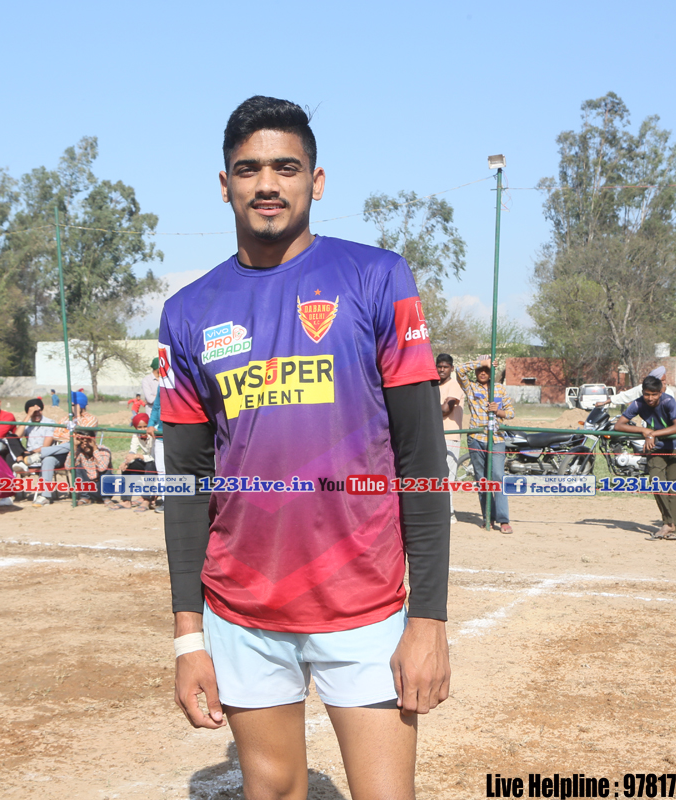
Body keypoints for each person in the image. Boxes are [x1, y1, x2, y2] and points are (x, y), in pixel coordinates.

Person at [157, 96, 450, 800]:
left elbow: (421, 458)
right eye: (248, 169)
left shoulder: (378, 278)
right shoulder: (187, 312)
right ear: (224, 184)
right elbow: (185, 485)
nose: (267, 184)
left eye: (286, 167)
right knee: (274, 792)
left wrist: (429, 619)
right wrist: (189, 638)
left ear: (316, 181)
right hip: (242, 612)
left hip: (364, 606)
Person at [613, 374, 676, 540]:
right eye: (647, 394)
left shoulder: (668, 401)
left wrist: (652, 434)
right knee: (656, 482)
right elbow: (619, 425)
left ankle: (671, 527)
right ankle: (669, 523)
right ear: (642, 392)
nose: (650, 398)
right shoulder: (638, 403)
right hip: (656, 447)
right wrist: (643, 430)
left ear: (660, 392)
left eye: (654, 394)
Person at [456, 355, 514, 533]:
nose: (483, 373)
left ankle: (503, 520)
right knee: (482, 479)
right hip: (476, 438)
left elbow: (511, 413)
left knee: (497, 477)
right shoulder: (471, 387)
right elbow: (459, 370)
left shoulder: (499, 389)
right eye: (480, 370)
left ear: (492, 373)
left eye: (487, 370)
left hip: (496, 439)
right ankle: (488, 516)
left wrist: (498, 411)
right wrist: (483, 362)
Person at [32, 393, 98, 507]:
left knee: (73, 442)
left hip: (81, 452)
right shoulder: (65, 419)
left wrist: (76, 419)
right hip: (63, 452)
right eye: (70, 404)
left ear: (80, 405)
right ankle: (46, 496)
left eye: (73, 405)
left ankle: (40, 454)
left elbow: (83, 435)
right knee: (48, 460)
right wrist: (72, 435)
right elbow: (56, 434)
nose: (70, 407)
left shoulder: (91, 419)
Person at [436, 354, 464, 526]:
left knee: (448, 476)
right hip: (437, 436)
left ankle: (450, 512)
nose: (442, 370)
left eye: (445, 367)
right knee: (437, 476)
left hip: (450, 437)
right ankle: (441, 511)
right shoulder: (435, 386)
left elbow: (446, 409)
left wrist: (430, 406)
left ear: (451, 368)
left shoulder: (453, 385)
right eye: (439, 366)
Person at [596, 366, 676, 408]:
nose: (664, 383)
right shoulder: (643, 389)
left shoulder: (669, 392)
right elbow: (625, 395)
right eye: (662, 380)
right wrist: (604, 402)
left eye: (665, 380)